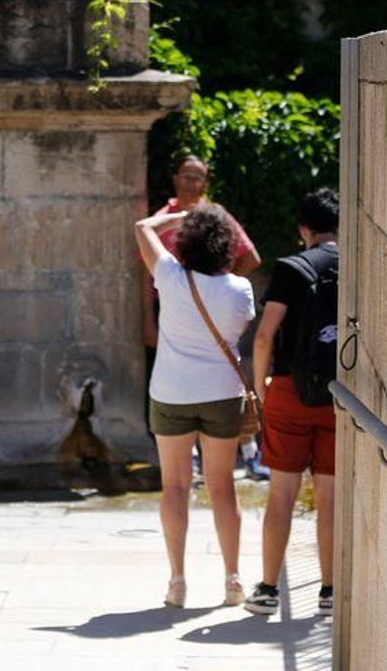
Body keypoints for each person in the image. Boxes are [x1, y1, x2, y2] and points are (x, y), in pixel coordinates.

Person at [135, 204, 255, 609]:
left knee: (175, 487)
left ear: (187, 242)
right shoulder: (240, 290)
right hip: (222, 394)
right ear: (226, 245)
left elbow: (142, 227)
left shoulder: (169, 276)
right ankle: (233, 579)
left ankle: (177, 580)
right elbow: (238, 330)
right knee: (223, 487)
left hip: (171, 393)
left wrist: (174, 217)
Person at [244, 188, 340, 619]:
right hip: (341, 396)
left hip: (289, 389)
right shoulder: (356, 265)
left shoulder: (290, 267)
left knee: (282, 493)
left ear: (304, 229)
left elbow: (265, 335)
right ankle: (330, 592)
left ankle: (267, 590)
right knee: (330, 497)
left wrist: (261, 387)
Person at [142, 154, 267, 479]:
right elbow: (145, 276)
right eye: (187, 176)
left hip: (204, 303)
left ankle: (249, 454)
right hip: (174, 306)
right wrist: (147, 320)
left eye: (198, 178)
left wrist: (220, 279)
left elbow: (251, 257)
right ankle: (193, 459)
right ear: (175, 178)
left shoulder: (214, 217)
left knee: (216, 373)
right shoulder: (169, 216)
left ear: (206, 182)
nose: (192, 183)